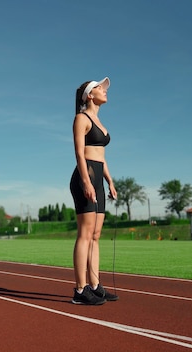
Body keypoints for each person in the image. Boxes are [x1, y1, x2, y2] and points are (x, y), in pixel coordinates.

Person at [69, 77, 119, 305]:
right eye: (100, 88)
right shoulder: (81, 118)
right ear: (90, 95)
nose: (104, 91)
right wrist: (87, 182)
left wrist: (109, 182)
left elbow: (101, 156)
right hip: (85, 177)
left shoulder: (100, 122)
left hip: (98, 179)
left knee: (96, 236)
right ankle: (80, 290)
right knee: (85, 234)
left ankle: (95, 285)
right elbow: (80, 153)